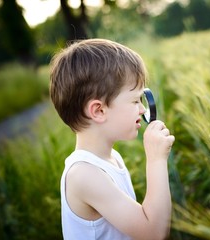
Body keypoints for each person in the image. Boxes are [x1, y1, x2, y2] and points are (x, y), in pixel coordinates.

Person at [49, 38, 175, 240]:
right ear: (99, 110)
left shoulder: (112, 158)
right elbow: (154, 233)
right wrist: (156, 160)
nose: (143, 109)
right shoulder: (83, 175)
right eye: (135, 100)